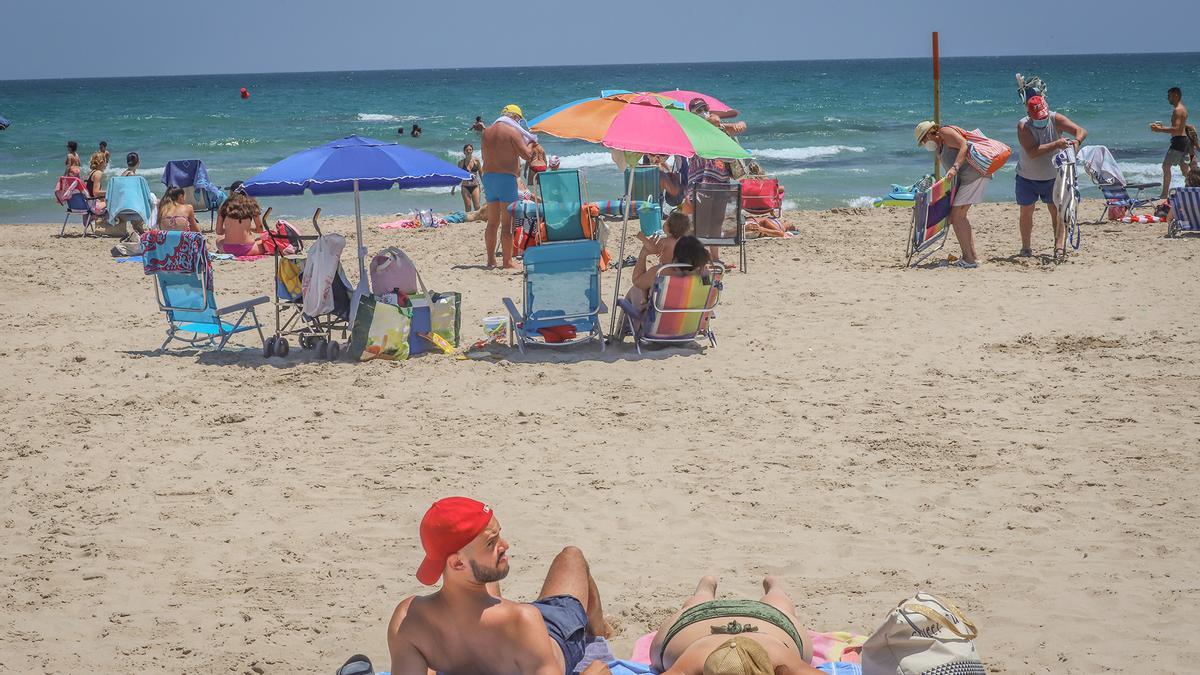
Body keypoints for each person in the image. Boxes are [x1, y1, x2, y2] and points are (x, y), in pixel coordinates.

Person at [386, 497, 612, 675]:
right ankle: (598, 629)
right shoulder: (524, 621)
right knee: (572, 557)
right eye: (491, 542)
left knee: (479, 578)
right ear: (456, 562)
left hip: (500, 627)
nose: (505, 545)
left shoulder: (408, 619)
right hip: (551, 634)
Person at [650, 576, 822, 675]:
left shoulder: (780, 660)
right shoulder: (695, 662)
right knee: (781, 607)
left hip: (701, 620)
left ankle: (706, 588)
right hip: (766, 622)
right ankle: (775, 586)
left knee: (781, 608)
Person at [1015, 93, 1087, 261]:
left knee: (1057, 212)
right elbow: (1032, 152)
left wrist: (1077, 141)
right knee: (1026, 211)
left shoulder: (1055, 119)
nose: (1041, 121)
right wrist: (1057, 144)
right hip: (1027, 176)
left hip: (1053, 176)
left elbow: (1081, 131)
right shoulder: (1023, 126)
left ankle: (1059, 246)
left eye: (1043, 117)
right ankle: (1026, 247)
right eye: (1038, 118)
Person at [915, 121, 989, 268]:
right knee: (960, 216)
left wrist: (955, 167)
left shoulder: (945, 133)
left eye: (924, 139)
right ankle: (973, 257)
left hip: (974, 174)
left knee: (957, 216)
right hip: (967, 179)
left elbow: (964, 145)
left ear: (931, 133)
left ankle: (969, 260)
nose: (924, 144)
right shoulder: (938, 148)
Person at [481, 104, 536, 269]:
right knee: (507, 225)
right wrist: (532, 142)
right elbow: (527, 155)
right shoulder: (513, 132)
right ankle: (507, 262)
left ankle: (491, 260)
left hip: (488, 178)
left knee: (492, 223)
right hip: (506, 179)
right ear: (515, 118)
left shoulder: (486, 132)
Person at [625, 235, 711, 316]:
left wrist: (643, 253)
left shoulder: (662, 273)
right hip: (690, 326)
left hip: (660, 326)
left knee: (634, 291)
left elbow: (637, 282)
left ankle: (625, 330)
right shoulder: (706, 276)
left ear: (676, 255)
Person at [1151, 87, 1190, 199]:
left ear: (1176, 95)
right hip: (1183, 141)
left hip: (1178, 141)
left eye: (1170, 96)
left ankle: (1164, 194)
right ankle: (1193, 189)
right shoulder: (1182, 109)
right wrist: (1163, 128)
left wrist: (1159, 130)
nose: (1168, 98)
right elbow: (1180, 128)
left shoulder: (1178, 110)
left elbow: (1177, 129)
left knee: (1166, 166)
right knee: (1184, 169)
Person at [215, 182, 266, 255]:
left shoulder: (224, 205)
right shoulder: (252, 204)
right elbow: (260, 230)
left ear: (232, 192)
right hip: (249, 249)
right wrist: (249, 228)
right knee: (262, 240)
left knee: (218, 240)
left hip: (228, 249)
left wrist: (230, 229)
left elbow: (219, 232)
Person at [454, 143, 484, 212]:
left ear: (472, 151)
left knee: (477, 206)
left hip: (475, 186)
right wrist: (453, 188)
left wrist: (484, 185)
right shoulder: (461, 163)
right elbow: (458, 176)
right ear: (464, 151)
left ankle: (477, 219)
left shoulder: (476, 161)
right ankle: (469, 219)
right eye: (467, 150)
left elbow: (480, 173)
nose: (469, 151)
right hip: (465, 186)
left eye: (470, 150)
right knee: (468, 206)